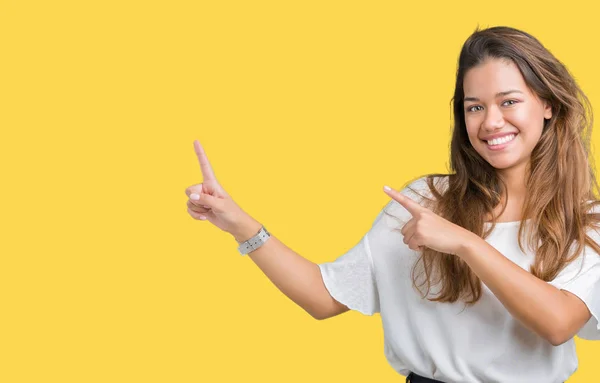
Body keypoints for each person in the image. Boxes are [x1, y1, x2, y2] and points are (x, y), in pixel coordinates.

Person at [185, 25, 600, 382]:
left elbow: (558, 323)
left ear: (547, 104)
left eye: (509, 101)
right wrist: (240, 225)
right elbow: (324, 298)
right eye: (475, 107)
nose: (490, 122)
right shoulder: (424, 201)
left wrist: (466, 243)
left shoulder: (586, 220)